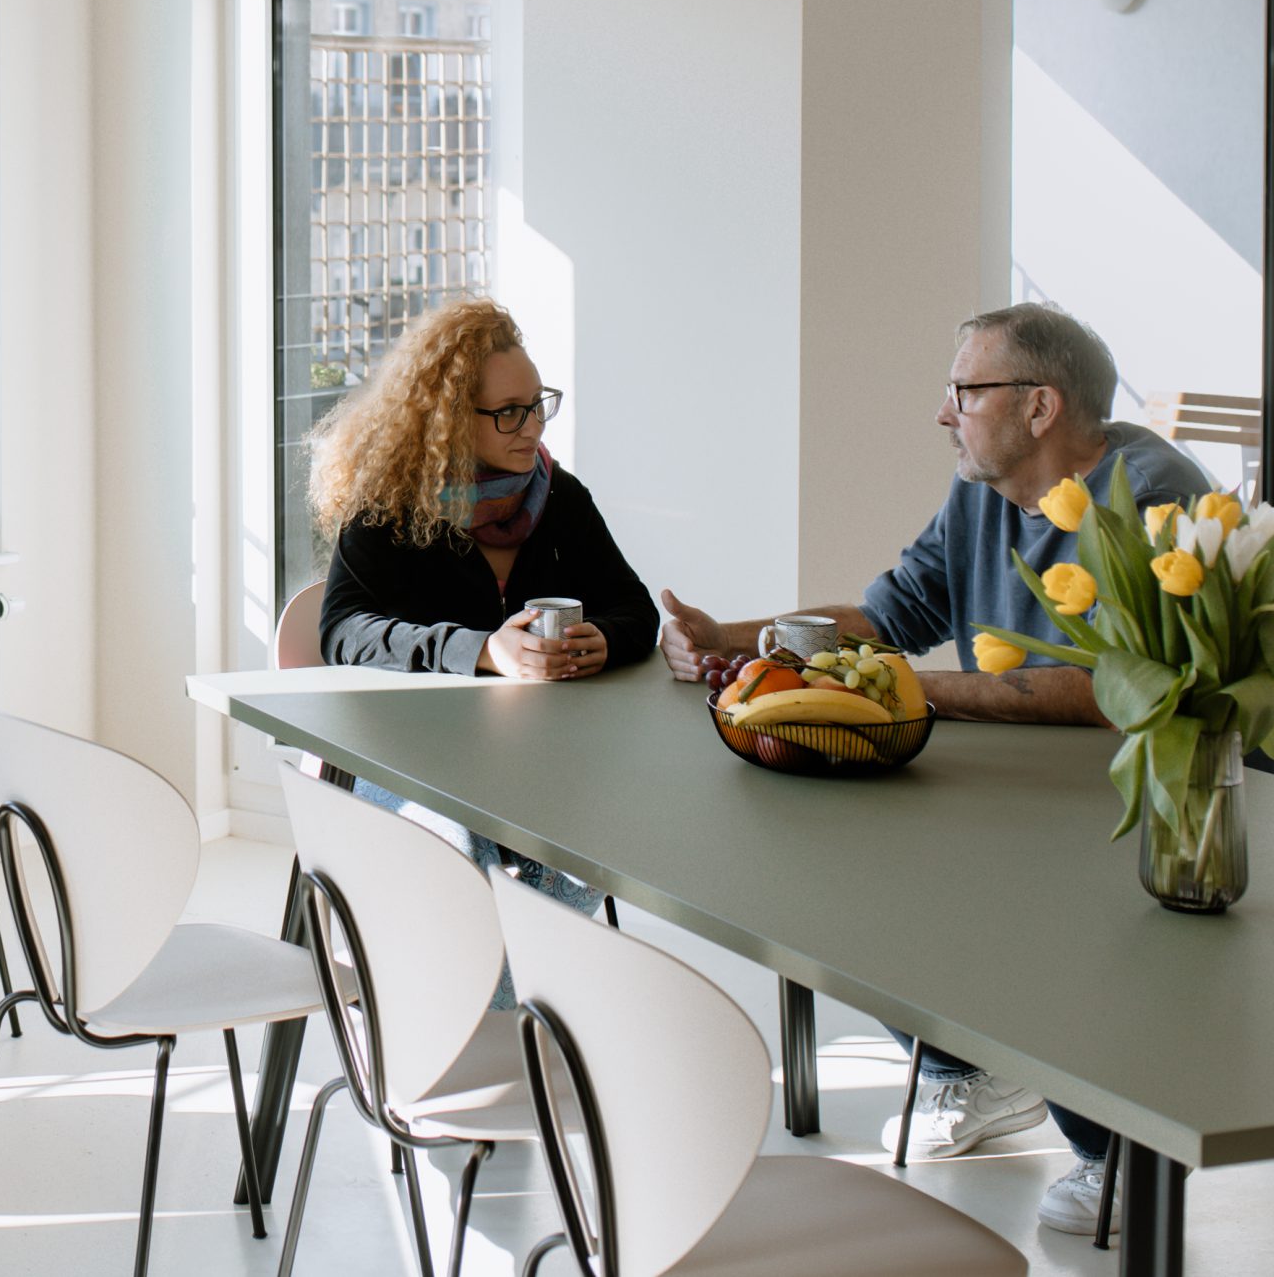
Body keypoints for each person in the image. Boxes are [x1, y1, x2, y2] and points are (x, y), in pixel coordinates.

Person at [659, 301, 1214, 1234]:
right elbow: (892, 617)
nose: (943, 412)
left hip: (1140, 806)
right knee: (824, 866)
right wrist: (737, 636)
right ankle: (976, 1069)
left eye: (964, 390)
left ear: (1040, 407)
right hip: (1020, 791)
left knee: (992, 904)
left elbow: (1118, 692)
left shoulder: (1152, 492)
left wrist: (915, 694)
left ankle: (1114, 1150)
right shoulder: (980, 492)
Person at [309, 298, 659, 938]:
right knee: (467, 850)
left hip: (540, 766)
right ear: (446, 419)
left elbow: (636, 610)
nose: (533, 429)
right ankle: (497, 1016)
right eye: (508, 414)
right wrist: (480, 651)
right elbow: (342, 632)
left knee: (622, 822)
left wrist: (599, 641)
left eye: (538, 405)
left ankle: (507, 1010)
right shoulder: (390, 508)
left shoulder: (560, 499)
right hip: (412, 763)